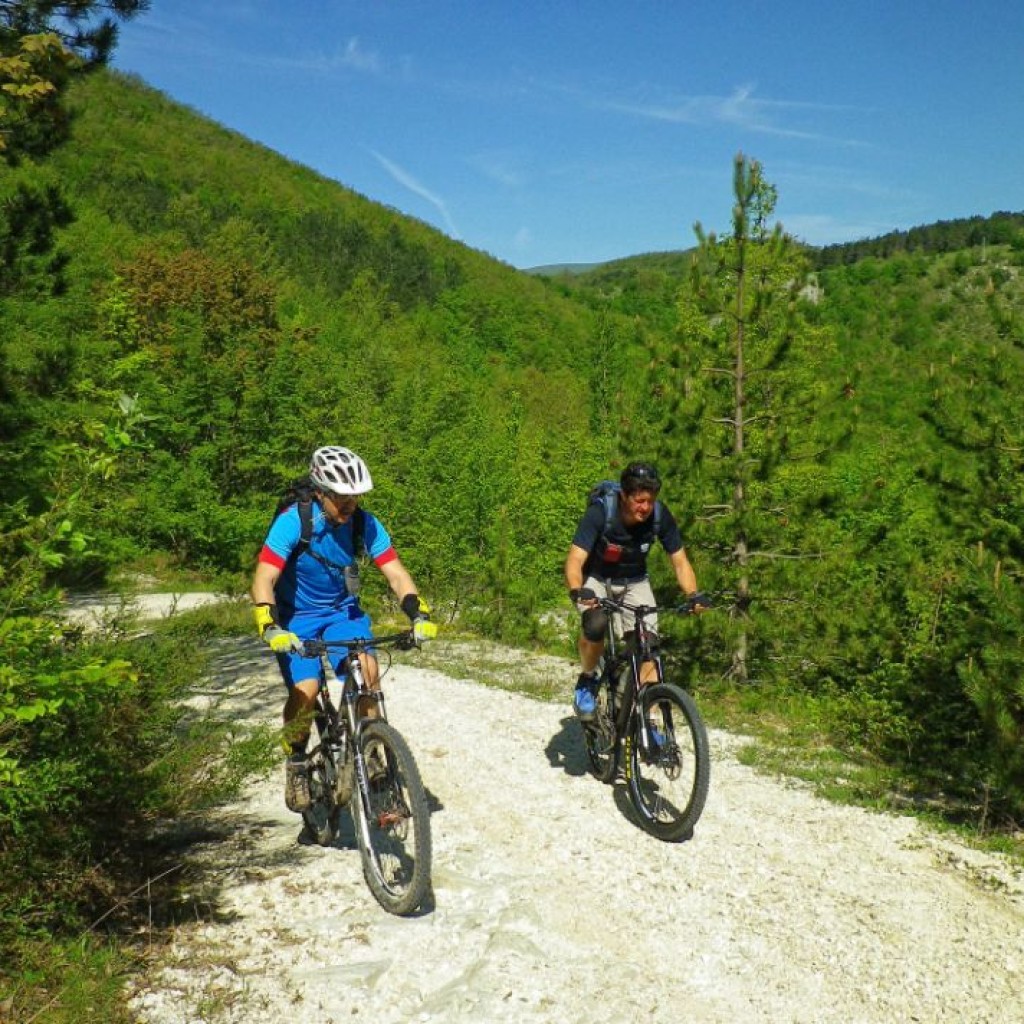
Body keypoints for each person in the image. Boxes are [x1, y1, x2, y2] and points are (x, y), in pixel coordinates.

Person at [251, 445, 436, 813]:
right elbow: (264, 577)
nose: (349, 506)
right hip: (294, 619)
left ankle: (370, 750)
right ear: (320, 492)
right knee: (306, 691)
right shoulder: (294, 521)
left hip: (341, 614)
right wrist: (268, 624)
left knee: (367, 672)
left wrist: (418, 612)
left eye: (355, 498)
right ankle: (298, 762)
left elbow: (396, 573)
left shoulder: (365, 523)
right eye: (341, 499)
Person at [563, 461, 707, 721]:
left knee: (648, 645)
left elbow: (680, 560)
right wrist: (577, 589)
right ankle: (587, 679)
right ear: (624, 496)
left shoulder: (660, 516)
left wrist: (693, 594)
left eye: (650, 500)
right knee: (594, 624)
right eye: (639, 501)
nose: (645, 507)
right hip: (597, 580)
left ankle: (645, 719)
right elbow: (574, 560)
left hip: (635, 581)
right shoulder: (601, 513)